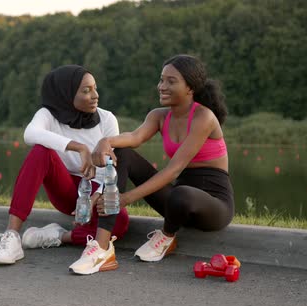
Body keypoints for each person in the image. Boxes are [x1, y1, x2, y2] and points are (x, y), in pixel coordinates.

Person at [92, 54, 234, 262]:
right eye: (161, 79)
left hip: (213, 207)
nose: (162, 86)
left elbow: (174, 170)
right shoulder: (158, 116)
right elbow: (134, 137)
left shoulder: (203, 117)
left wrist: (126, 199)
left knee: (182, 193)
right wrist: (106, 141)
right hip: (178, 204)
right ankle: (101, 247)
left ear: (190, 88)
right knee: (123, 154)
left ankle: (167, 237)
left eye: (171, 81)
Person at [0, 65, 129, 274]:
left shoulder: (107, 119)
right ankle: (12, 237)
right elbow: (30, 133)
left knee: (121, 222)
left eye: (95, 88)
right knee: (40, 152)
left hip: (97, 191)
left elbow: (113, 169)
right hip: (64, 189)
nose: (95, 96)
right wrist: (78, 146)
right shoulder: (48, 115)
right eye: (86, 91)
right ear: (65, 94)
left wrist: (96, 197)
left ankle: (58, 235)